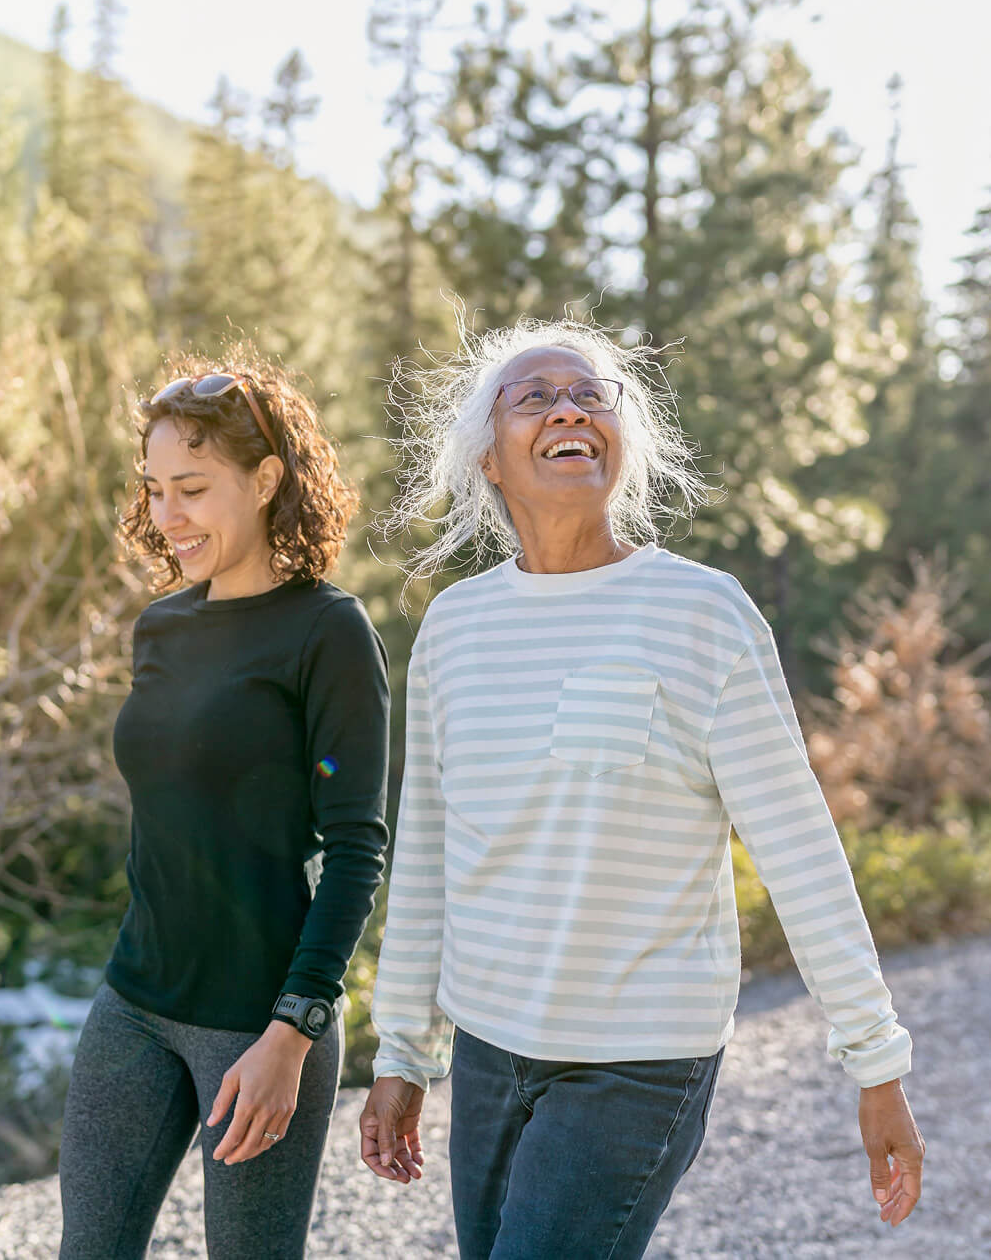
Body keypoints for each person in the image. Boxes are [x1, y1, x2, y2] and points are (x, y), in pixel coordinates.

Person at [359, 317, 925, 1259]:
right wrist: (405, 1054)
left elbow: (797, 844)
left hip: (638, 1056)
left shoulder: (700, 612)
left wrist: (877, 1062)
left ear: (622, 440)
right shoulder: (455, 629)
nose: (568, 407)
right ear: (489, 460)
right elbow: (424, 854)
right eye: (533, 397)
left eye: (590, 393)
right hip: (491, 1051)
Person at [59, 349, 390, 1260]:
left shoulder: (327, 631)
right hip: (133, 1002)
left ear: (266, 478)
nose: (169, 517)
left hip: (258, 1024)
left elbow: (358, 847)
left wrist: (295, 1030)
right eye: (156, 490)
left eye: (194, 489)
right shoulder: (160, 626)